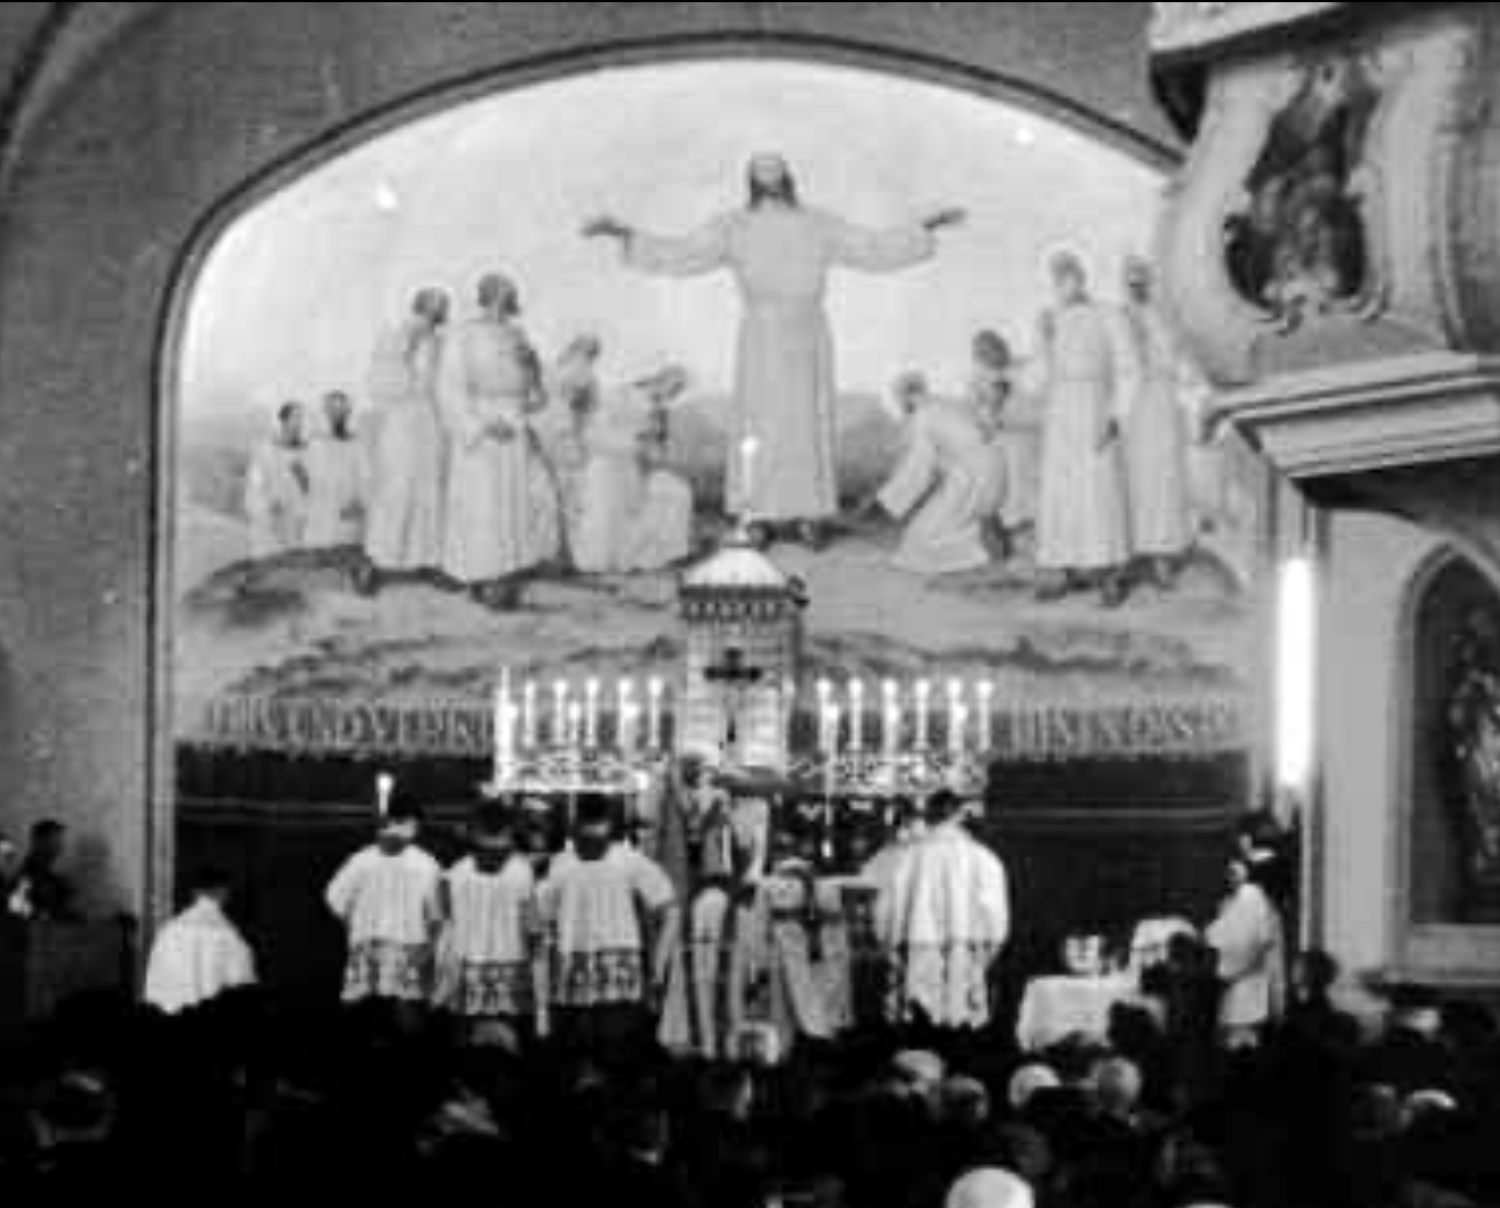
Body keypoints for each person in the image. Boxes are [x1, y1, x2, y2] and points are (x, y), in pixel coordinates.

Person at [585, 152, 965, 547]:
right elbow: (683, 252)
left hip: (804, 336)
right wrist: (626, 235)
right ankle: (759, 514)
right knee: (760, 427)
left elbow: (871, 247)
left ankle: (808, 514)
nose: (771, 189)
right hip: (762, 338)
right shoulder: (736, 226)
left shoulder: (814, 223)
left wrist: (923, 227)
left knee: (803, 425)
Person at [1032, 250, 1139, 607]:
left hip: (1094, 406)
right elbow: (1038, 379)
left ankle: (1110, 575)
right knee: (1062, 492)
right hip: (1061, 411)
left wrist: (1116, 415)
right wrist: (1043, 340)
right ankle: (1066, 571)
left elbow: (1129, 368)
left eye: (1070, 274)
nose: (1065, 282)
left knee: (1098, 490)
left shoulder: (1108, 314)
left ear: (1082, 276)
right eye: (1058, 277)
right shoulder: (1050, 319)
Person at [538, 793, 678, 1060]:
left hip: (573, 983)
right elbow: (671, 910)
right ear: (610, 822)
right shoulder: (629, 861)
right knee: (617, 1059)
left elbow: (541, 924)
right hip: (619, 981)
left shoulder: (560, 865)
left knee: (578, 1059)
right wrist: (658, 969)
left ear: (575, 822)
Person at [437, 272, 546, 608]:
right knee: (482, 505)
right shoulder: (463, 335)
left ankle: (507, 577)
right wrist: (480, 426)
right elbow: (449, 388)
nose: (504, 303)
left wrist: (532, 370)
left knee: (514, 505)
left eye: (508, 296)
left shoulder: (517, 334)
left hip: (514, 425)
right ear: (486, 297)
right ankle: (481, 578)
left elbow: (534, 393)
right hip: (482, 428)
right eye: (499, 295)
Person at [873, 790, 1010, 1032]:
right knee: (960, 1023)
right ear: (959, 815)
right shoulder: (984, 858)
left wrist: (892, 950)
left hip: (916, 946)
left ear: (928, 815)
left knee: (918, 1022)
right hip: (964, 947)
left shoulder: (906, 857)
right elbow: (996, 920)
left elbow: (884, 913)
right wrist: (984, 955)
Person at [324, 791, 443, 1026]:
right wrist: (429, 948)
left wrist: (354, 926)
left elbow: (334, 899)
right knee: (400, 1020)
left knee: (370, 1019)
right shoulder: (427, 864)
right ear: (413, 823)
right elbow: (438, 915)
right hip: (407, 952)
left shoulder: (361, 860)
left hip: (374, 951)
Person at [876, 370, 1005, 576]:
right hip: (995, 469)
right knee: (946, 513)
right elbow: (984, 430)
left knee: (917, 540)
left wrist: (885, 503)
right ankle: (986, 530)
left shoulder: (922, 417)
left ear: (905, 398)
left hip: (969, 480)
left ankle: (981, 545)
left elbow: (917, 471)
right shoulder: (946, 404)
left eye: (900, 399)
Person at [361, 287, 448, 587]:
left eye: (445, 305)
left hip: (430, 422)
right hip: (403, 419)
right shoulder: (398, 334)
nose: (445, 310)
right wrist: (409, 367)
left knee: (429, 489)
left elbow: (443, 382)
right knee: (397, 488)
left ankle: (427, 560)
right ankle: (378, 562)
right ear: (424, 306)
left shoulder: (439, 341)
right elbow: (381, 380)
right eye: (440, 304)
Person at [572, 361, 695, 574]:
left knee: (673, 492)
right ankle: (603, 559)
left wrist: (649, 449)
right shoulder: (622, 394)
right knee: (608, 504)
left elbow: (656, 448)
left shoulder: (659, 411)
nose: (673, 393)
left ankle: (647, 555)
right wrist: (633, 443)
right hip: (607, 459)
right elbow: (594, 432)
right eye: (673, 386)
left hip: (631, 464)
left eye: (677, 390)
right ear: (662, 378)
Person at [434, 803, 539, 1048]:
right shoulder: (522, 871)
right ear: (508, 831)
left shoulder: (456, 872)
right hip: (512, 966)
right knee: (507, 1040)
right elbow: (533, 926)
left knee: (465, 1038)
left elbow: (443, 918)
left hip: (467, 964)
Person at [1120, 256, 1195, 588]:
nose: (1136, 286)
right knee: (1131, 480)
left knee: (1163, 481)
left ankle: (1162, 558)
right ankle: (1132, 554)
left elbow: (1175, 359)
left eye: (1141, 279)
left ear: (1150, 283)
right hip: (1132, 406)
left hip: (1161, 402)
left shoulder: (1163, 316)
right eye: (1130, 280)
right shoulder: (1121, 317)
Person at [142, 865, 257, 1015]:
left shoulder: (167, 932)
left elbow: (153, 989)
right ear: (224, 892)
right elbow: (243, 988)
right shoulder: (229, 936)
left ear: (194, 892)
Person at [968, 329, 1035, 556]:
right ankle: (997, 538)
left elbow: (1029, 401)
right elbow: (977, 412)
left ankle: (1020, 536)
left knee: (1021, 485)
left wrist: (1003, 411)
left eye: (993, 350)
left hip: (1021, 438)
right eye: (982, 353)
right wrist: (989, 417)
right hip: (996, 440)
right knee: (994, 485)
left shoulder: (1020, 369)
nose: (989, 356)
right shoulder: (978, 379)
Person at [1205, 855, 1284, 1048]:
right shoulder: (1226, 905)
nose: (1233, 878)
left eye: (1238, 873)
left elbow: (1265, 950)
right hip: (1229, 988)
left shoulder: (1264, 907)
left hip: (1253, 987)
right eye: (1230, 873)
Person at [245, 400, 309, 558]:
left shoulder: (306, 451)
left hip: (297, 525)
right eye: (296, 418)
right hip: (271, 525)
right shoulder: (266, 450)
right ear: (283, 420)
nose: (299, 423)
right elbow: (254, 487)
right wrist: (268, 503)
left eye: (302, 418)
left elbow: (311, 488)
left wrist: (304, 479)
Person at [303, 390, 365, 549]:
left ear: (348, 412)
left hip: (348, 516)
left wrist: (358, 502)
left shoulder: (358, 443)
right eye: (332, 409)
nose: (337, 414)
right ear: (325, 412)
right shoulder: (315, 442)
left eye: (341, 409)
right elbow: (303, 477)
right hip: (319, 521)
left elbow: (366, 478)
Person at [9, 819, 77, 922]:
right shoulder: (28, 875)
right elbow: (16, 908)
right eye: (54, 841)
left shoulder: (49, 876)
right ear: (39, 842)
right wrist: (41, 916)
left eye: (60, 842)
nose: (60, 847)